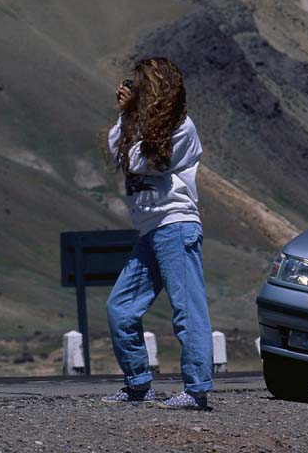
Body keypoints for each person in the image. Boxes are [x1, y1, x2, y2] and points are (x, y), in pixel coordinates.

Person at [101, 57, 213, 410]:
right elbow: (117, 152)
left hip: (175, 224)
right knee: (121, 306)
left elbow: (139, 162)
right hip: (150, 228)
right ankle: (137, 383)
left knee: (186, 309)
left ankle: (196, 389)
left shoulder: (181, 127)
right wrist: (126, 116)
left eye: (139, 85)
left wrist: (131, 118)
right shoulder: (141, 123)